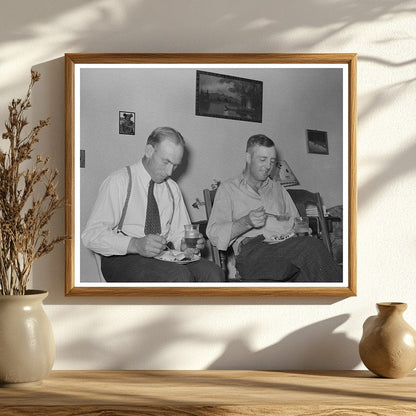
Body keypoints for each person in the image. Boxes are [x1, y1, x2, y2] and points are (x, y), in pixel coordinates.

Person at [82, 127, 225, 283]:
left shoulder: (172, 188)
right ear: (149, 151)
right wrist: (135, 244)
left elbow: (178, 234)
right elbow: (91, 235)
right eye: (166, 162)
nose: (170, 172)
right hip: (122, 258)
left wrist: (185, 245)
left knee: (213, 273)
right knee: (178, 276)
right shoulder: (119, 181)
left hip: (163, 257)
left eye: (175, 165)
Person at [206, 134, 342, 282]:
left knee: (309, 270)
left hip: (286, 249)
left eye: (272, 161)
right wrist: (246, 222)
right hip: (254, 253)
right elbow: (213, 234)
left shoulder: (279, 189)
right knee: (311, 249)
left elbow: (297, 222)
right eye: (262, 160)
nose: (268, 167)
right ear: (248, 157)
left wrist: (301, 230)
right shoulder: (228, 189)